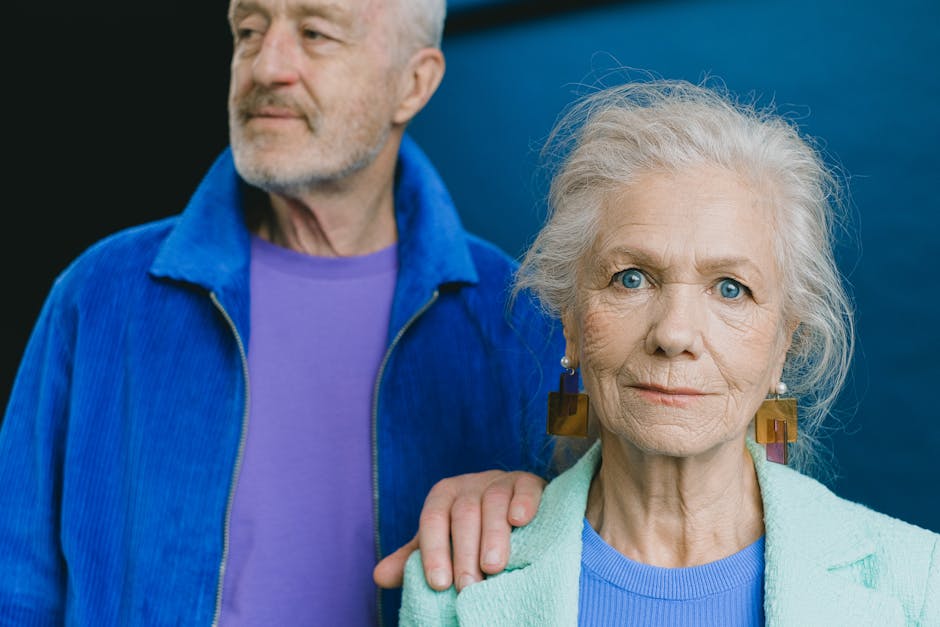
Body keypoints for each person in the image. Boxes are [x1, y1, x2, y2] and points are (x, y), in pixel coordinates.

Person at [0, 0, 563, 624]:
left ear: (414, 82)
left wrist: (548, 498)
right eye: (248, 30)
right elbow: (15, 580)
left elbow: (599, 520)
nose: (267, 66)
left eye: (315, 32)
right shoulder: (98, 294)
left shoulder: (528, 321)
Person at [399, 78, 940, 625]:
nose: (674, 334)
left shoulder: (920, 582)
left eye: (731, 287)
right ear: (571, 327)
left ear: (784, 346)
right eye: (631, 278)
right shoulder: (454, 587)